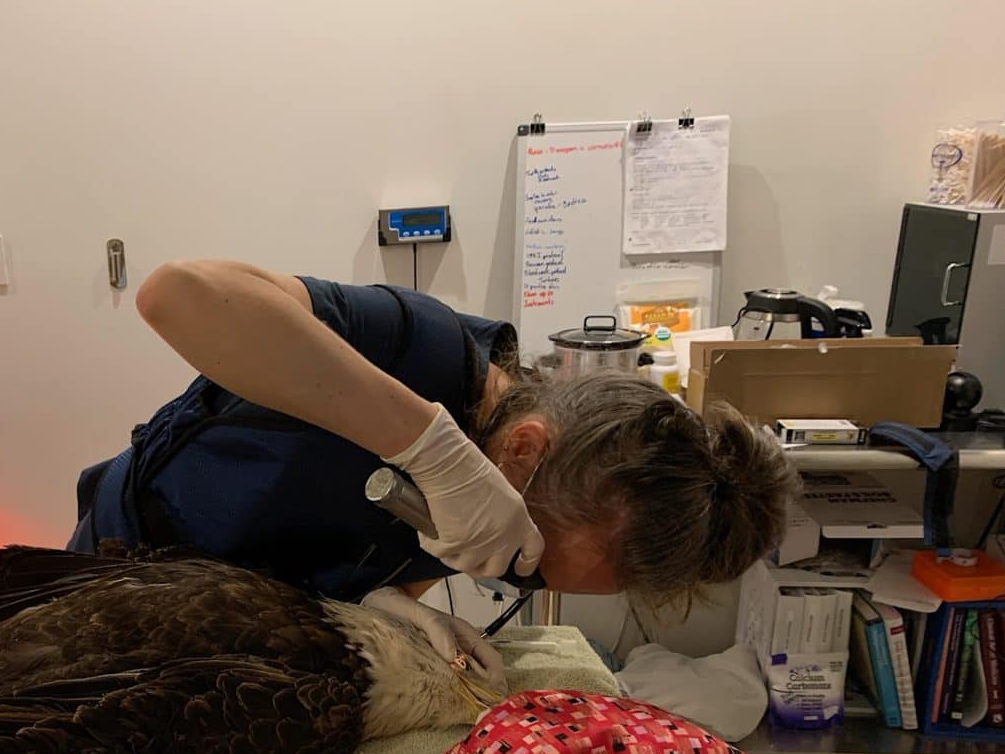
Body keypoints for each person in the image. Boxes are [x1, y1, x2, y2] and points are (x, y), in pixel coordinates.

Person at [67, 260, 797, 683]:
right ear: (523, 450)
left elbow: (350, 570)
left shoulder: (495, 501)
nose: (506, 572)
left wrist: (389, 607)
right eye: (529, 568)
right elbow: (177, 296)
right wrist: (428, 448)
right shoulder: (414, 344)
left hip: (221, 638)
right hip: (115, 572)